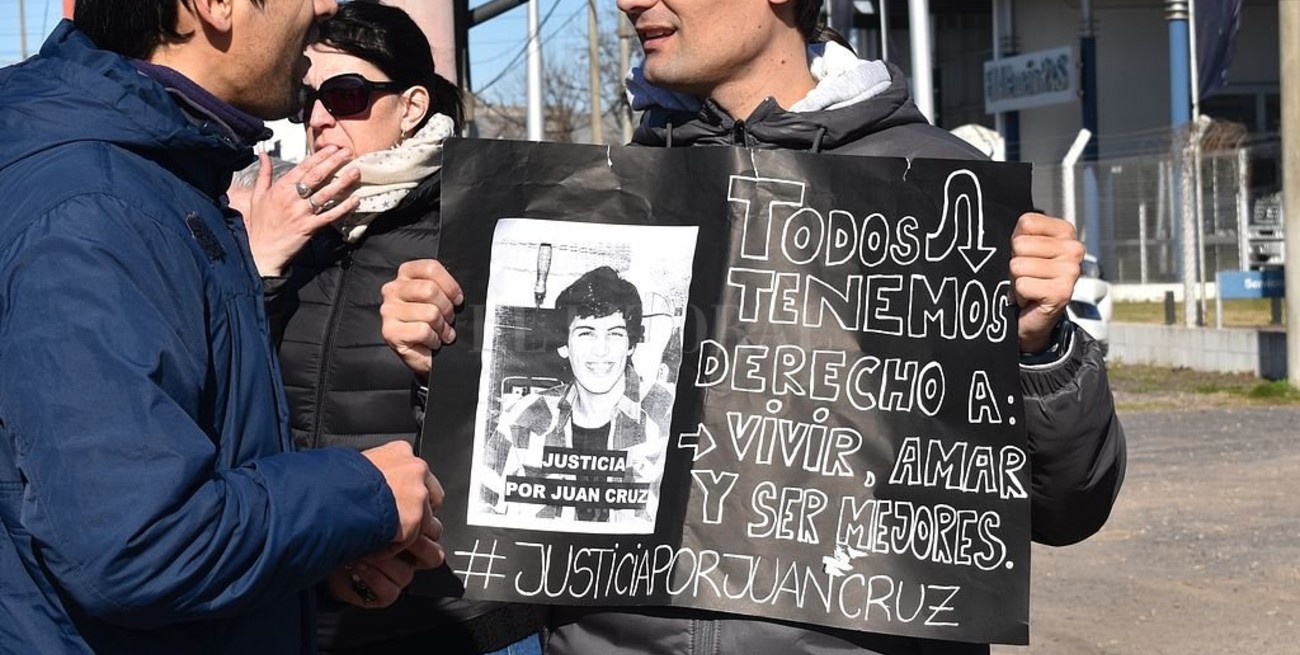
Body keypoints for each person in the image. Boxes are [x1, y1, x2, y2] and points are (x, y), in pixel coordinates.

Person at [385, 1, 1127, 654]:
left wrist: (1042, 349)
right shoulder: (593, 198)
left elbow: (1067, 506)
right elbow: (501, 510)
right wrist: (450, 363)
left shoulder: (943, 197)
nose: (629, 2)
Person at [0, 0, 447, 653]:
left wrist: (323, 550)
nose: (325, 5)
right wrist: (362, 496)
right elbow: (139, 544)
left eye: (348, 94)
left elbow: (217, 453)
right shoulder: (97, 207)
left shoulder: (165, 177)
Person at [230, 2, 545, 653]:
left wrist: (445, 363)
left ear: (411, 106)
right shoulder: (273, 223)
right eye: (306, 100)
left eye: (345, 95)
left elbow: (548, 413)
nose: (319, 118)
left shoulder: (484, 218)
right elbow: (229, 405)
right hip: (304, 605)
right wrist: (257, 272)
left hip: (456, 613)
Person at [476, 266, 666, 526]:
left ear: (631, 344)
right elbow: (479, 503)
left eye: (614, 333)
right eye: (586, 333)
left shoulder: (666, 416)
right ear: (564, 345)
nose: (601, 350)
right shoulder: (524, 417)